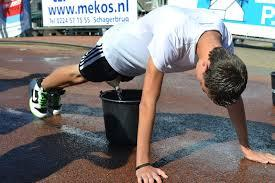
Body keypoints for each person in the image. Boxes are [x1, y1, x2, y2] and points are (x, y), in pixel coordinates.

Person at [29, 5, 275, 183]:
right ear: (204, 66)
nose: (203, 90)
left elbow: (233, 98)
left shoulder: (223, 44)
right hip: (117, 51)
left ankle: (52, 88)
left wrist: (247, 147)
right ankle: (43, 86)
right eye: (204, 88)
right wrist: (143, 163)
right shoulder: (173, 38)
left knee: (107, 78)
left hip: (142, 58)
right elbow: (148, 102)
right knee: (80, 75)